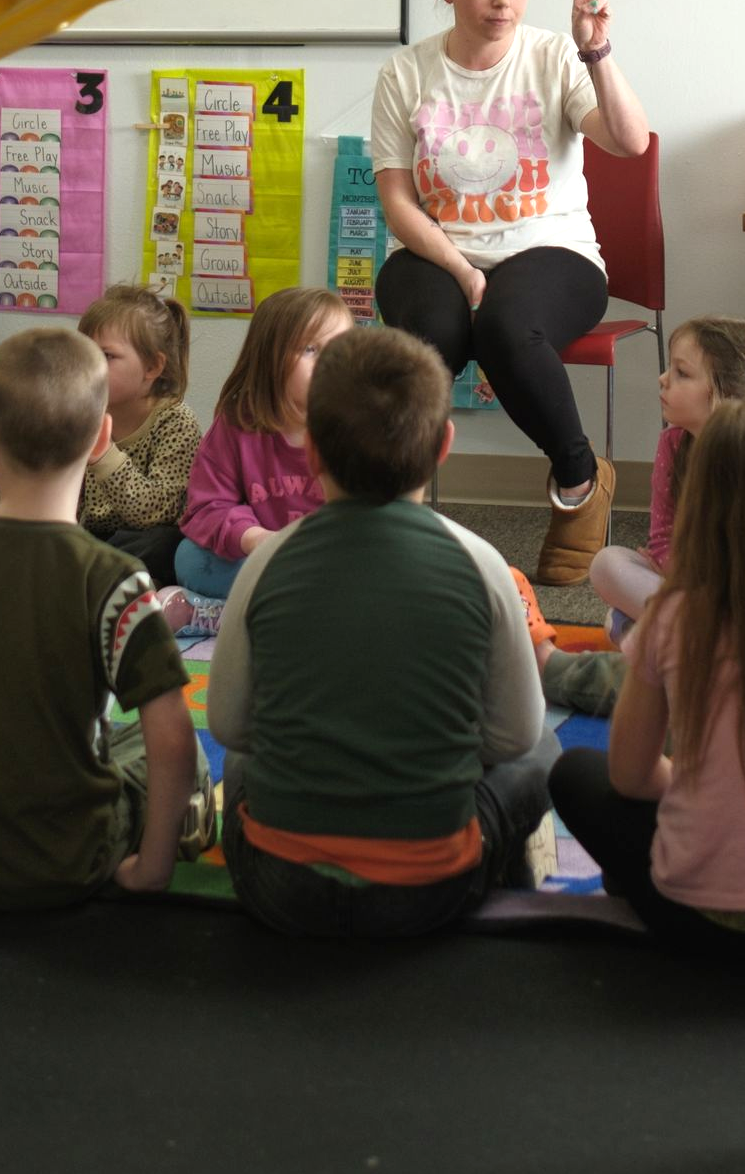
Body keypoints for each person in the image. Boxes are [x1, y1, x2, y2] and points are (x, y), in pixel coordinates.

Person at [207, 324, 556, 937]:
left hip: (281, 887)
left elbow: (231, 726)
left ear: (310, 449)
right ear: (444, 445)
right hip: (431, 892)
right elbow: (515, 736)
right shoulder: (482, 564)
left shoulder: (265, 561)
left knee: (240, 764)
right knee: (544, 753)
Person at [370, 0, 651, 587]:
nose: (502, 3)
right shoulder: (408, 72)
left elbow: (630, 141)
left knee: (503, 325)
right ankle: (392, 517)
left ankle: (579, 479)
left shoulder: (554, 56)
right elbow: (399, 203)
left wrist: (598, 52)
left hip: (554, 253)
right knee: (430, 336)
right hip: (438, 250)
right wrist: (461, 268)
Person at [0, 326, 214, 908]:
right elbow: (174, 739)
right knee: (185, 751)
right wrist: (151, 869)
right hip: (68, 857)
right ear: (102, 435)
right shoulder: (115, 581)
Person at [550, 396, 745, 956]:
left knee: (573, 774)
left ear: (701, 501)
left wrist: (694, 783)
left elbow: (630, 777)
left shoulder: (676, 614)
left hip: (695, 923)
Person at [155, 284, 351, 639]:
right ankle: (275, 614)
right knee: (189, 558)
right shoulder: (238, 423)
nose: (331, 362)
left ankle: (233, 616)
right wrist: (254, 538)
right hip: (261, 559)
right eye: (311, 349)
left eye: (340, 348)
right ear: (270, 360)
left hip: (330, 563)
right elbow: (207, 507)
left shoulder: (356, 426)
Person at [590, 315, 745, 635]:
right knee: (608, 564)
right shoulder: (674, 444)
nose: (663, 379)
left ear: (724, 394)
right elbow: (662, 536)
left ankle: (678, 640)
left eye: (682, 373)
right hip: (688, 587)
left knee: (622, 624)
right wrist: (679, 575)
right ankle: (694, 637)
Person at [76, 283, 199, 588]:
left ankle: (102, 578)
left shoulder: (175, 421)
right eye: (85, 353)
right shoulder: (84, 413)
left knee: (170, 547)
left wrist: (105, 457)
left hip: (150, 538)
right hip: (97, 537)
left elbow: (156, 512)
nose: (89, 366)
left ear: (153, 367)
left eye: (107, 356)